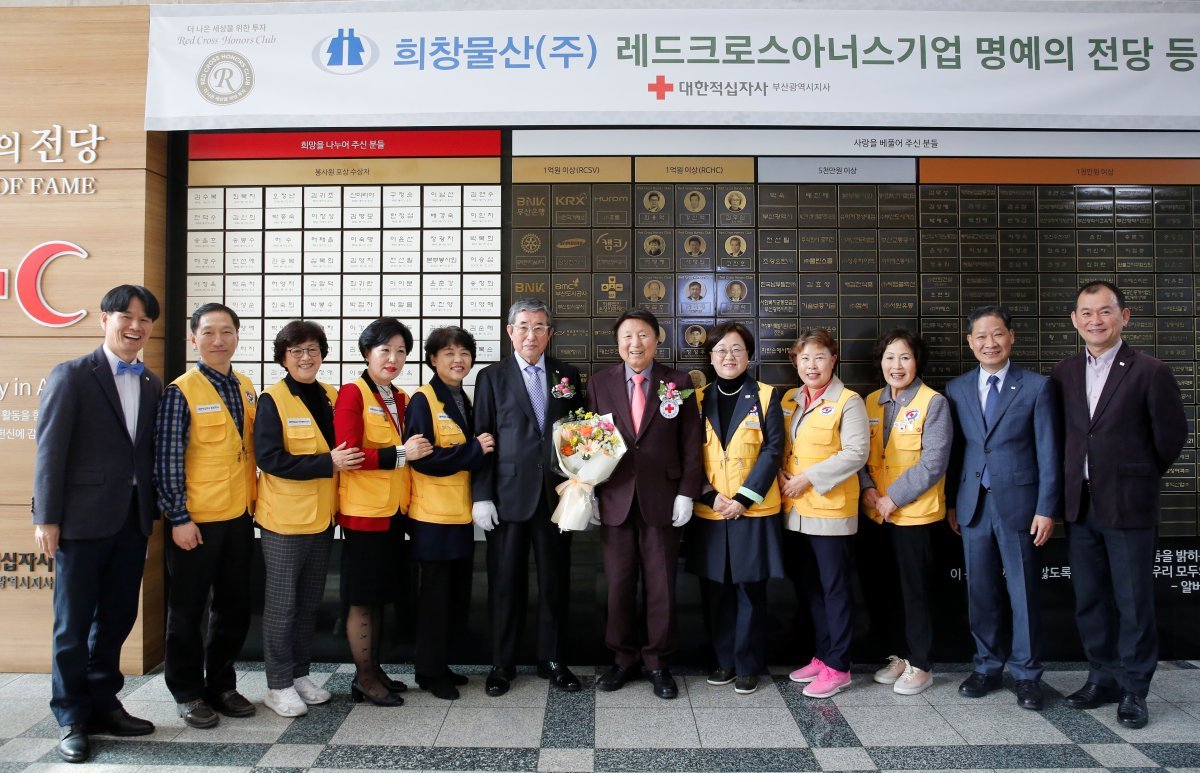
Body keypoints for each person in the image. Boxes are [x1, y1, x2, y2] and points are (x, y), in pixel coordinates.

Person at [33, 285, 162, 763]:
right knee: (72, 625)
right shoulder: (72, 375)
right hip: (81, 521)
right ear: (104, 320)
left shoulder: (150, 382)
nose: (136, 326)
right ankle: (71, 716)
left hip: (132, 521)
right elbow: (50, 451)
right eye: (126, 316)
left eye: (145, 319)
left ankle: (104, 703)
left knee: (115, 619)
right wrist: (46, 517)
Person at [1052, 281, 1186, 729]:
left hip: (1129, 504)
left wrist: (1134, 476)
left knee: (1133, 601)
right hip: (1081, 505)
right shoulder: (1065, 372)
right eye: (1086, 312)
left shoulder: (1150, 370)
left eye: (1105, 312)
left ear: (1124, 317)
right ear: (1075, 320)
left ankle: (1134, 689)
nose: (1096, 320)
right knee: (1090, 599)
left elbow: (1170, 440)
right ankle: (1101, 676)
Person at [945, 305, 1061, 711]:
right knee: (980, 591)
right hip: (973, 504)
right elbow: (956, 451)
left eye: (996, 334)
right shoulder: (957, 388)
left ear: (1011, 337)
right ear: (970, 342)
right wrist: (952, 503)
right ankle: (987, 666)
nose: (988, 343)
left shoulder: (1036, 386)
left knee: (1023, 592)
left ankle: (1027, 674)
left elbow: (1049, 453)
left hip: (1022, 505)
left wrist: (1047, 508)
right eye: (980, 336)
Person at [588, 309, 704, 699]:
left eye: (642, 335)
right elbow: (588, 442)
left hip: (663, 499)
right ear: (617, 342)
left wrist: (687, 492)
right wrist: (588, 489)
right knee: (618, 585)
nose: (634, 343)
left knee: (661, 586)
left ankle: (657, 662)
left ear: (657, 339)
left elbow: (691, 442)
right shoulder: (599, 382)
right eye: (626, 337)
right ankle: (622, 659)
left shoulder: (678, 381)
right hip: (616, 499)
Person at [472, 299, 585, 697]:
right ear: (509, 331)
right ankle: (502, 663)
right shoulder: (491, 377)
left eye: (539, 327)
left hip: (557, 497)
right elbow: (482, 437)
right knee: (505, 582)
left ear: (550, 333)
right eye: (523, 326)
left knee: (555, 582)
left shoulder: (566, 375)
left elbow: (580, 436)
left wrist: (583, 487)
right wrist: (482, 495)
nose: (531, 335)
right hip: (507, 496)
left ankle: (552, 659)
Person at [155, 303, 258, 728]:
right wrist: (178, 518)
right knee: (187, 610)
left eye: (227, 332)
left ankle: (221, 683)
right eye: (209, 332)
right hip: (195, 520)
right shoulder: (181, 390)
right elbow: (166, 460)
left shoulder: (247, 386)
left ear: (237, 336)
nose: (219, 340)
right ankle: (187, 691)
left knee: (233, 607)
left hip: (239, 516)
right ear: (193, 337)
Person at [254, 321, 364, 717]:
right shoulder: (272, 399)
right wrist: (326, 462)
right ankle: (278, 684)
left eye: (313, 350)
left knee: (307, 604)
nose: (306, 357)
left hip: (322, 518)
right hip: (283, 520)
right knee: (282, 606)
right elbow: (270, 459)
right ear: (283, 357)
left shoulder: (332, 396)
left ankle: (300, 675)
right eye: (297, 351)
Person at [334, 317, 432, 706]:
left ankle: (376, 670)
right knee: (361, 598)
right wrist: (403, 454)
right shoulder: (352, 393)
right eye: (385, 350)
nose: (393, 358)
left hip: (394, 513)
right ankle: (364, 678)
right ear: (366, 353)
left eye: (401, 351)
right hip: (363, 514)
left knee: (380, 596)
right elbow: (350, 454)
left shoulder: (401, 397)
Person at [687, 322, 785, 696]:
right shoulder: (696, 400)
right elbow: (688, 455)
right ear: (710, 357)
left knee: (749, 590)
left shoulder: (765, 395)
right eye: (721, 350)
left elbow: (773, 450)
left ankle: (747, 664)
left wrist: (744, 497)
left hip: (752, 512)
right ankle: (723, 659)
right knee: (716, 591)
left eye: (737, 350)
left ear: (749, 354)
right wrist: (710, 496)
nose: (729, 357)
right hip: (711, 511)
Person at [405, 326, 495, 700]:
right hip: (431, 517)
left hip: (457, 515)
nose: (458, 360)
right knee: (436, 598)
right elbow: (424, 461)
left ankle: (440, 665)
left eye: (464, 353)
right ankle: (429, 671)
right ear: (432, 359)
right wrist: (474, 450)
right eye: (449, 353)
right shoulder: (424, 400)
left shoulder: (462, 398)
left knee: (454, 596)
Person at [859, 329, 951, 695]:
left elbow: (933, 462)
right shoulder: (870, 402)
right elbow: (859, 453)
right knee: (884, 589)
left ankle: (921, 663)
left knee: (915, 591)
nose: (896, 366)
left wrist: (892, 498)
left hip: (914, 515)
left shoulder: (934, 403)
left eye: (905, 358)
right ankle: (897, 655)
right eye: (890, 358)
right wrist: (867, 488)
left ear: (917, 362)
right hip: (875, 514)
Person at [779, 329, 868, 699]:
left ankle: (840, 665)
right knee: (810, 588)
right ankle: (822, 655)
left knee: (835, 590)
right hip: (794, 511)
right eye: (804, 358)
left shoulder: (849, 401)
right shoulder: (789, 399)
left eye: (819, 357)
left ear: (834, 360)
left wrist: (807, 479)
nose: (811, 365)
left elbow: (855, 453)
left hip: (829, 511)